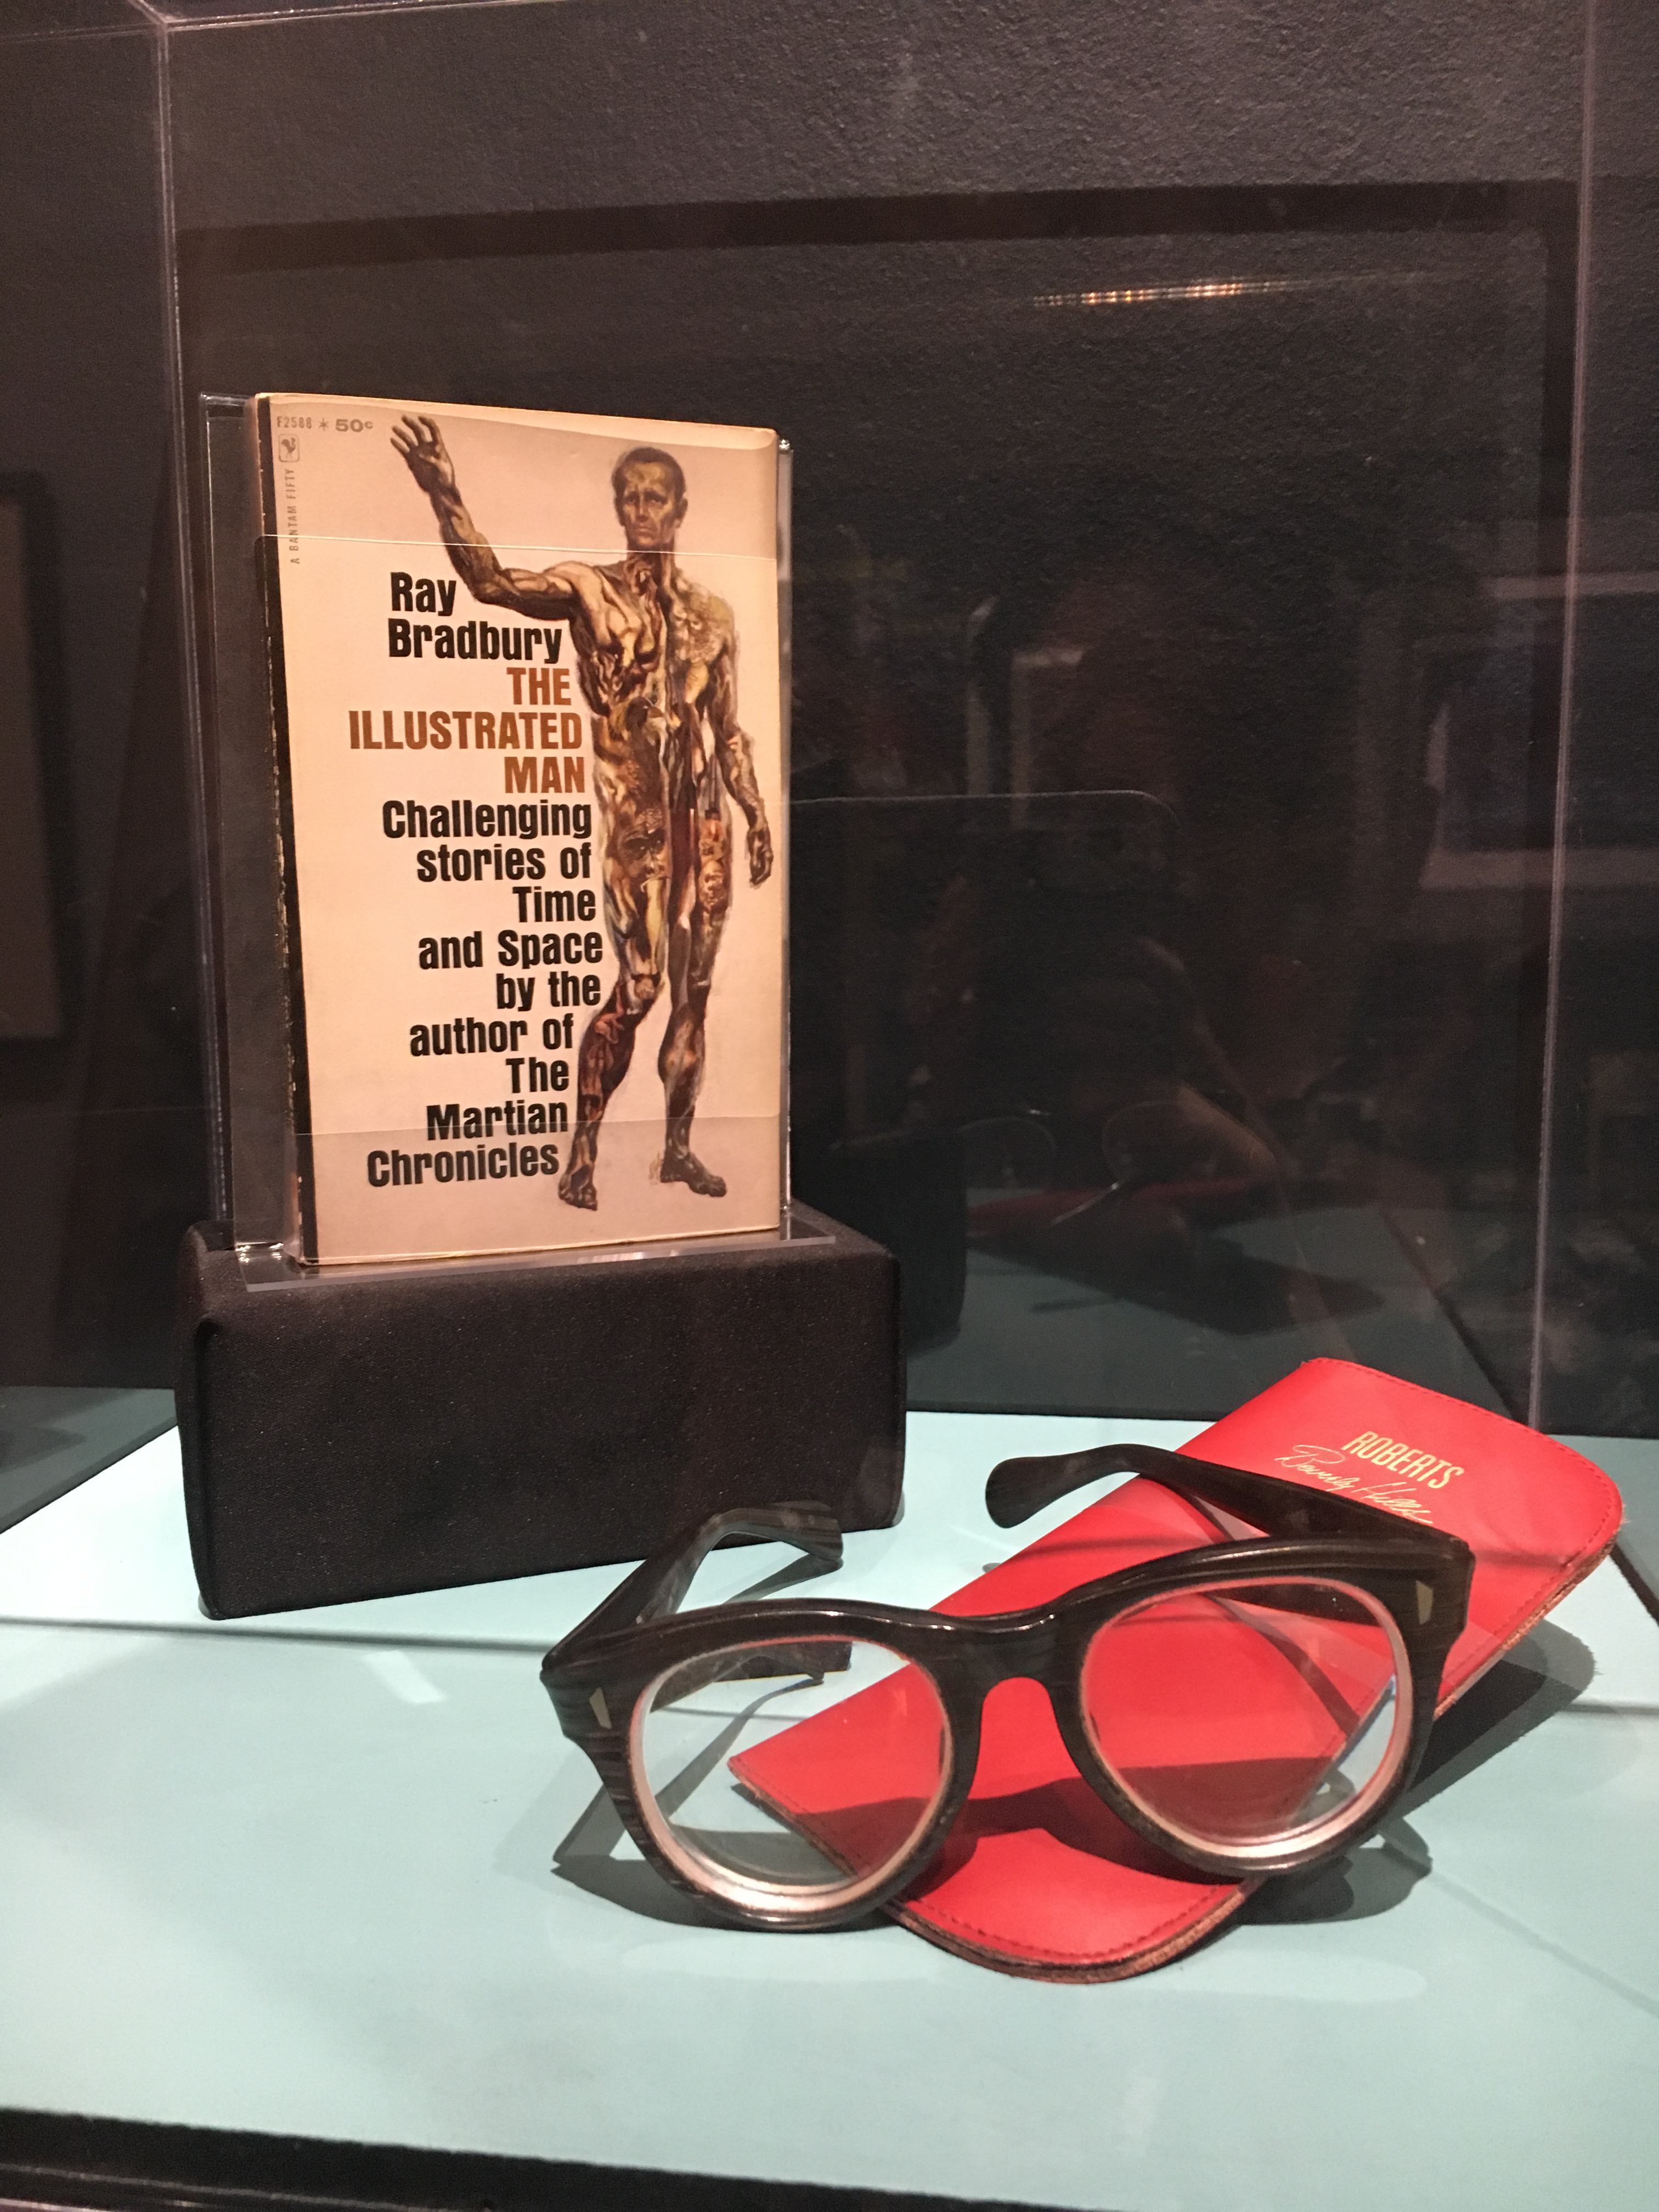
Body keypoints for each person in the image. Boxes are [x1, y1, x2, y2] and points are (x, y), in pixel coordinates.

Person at [393, 417, 773, 1207]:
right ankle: (583, 1155)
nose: (641, 511)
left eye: (655, 498)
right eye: (629, 498)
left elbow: (728, 728)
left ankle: (677, 1150)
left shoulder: (715, 617)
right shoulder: (589, 591)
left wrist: (757, 812)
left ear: (680, 510)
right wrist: (445, 494)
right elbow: (494, 584)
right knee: (640, 988)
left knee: (696, 991)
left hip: (705, 822)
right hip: (639, 821)